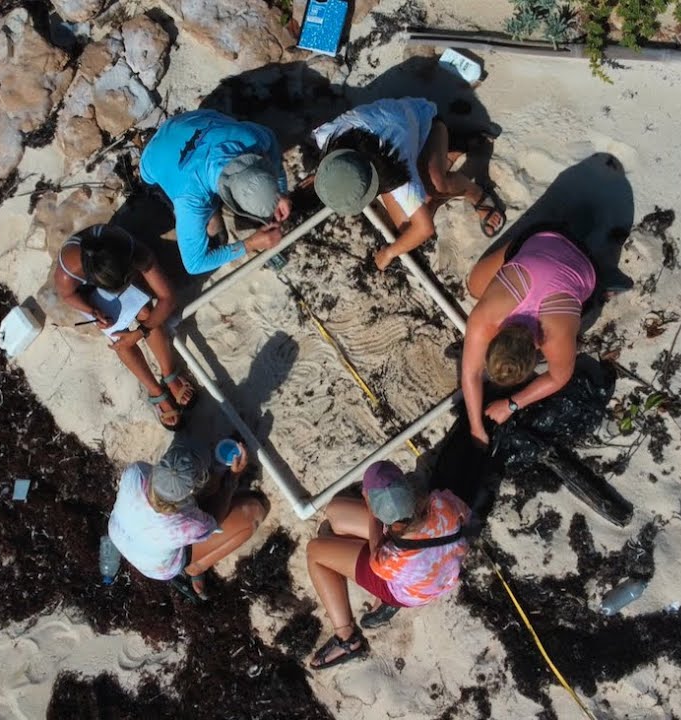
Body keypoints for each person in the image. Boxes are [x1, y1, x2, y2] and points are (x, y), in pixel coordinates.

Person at [305, 461, 471, 669]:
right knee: (335, 513)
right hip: (435, 573)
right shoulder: (442, 504)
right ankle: (350, 549)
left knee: (314, 551)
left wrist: (372, 510)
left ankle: (346, 636)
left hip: (403, 592)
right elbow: (465, 515)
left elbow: (376, 549)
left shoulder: (388, 560)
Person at [310, 97, 506, 271]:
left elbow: (424, 229)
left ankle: (476, 193)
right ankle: (450, 152)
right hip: (398, 126)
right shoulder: (327, 136)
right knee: (407, 228)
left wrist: (388, 253)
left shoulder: (396, 166)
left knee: (436, 187)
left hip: (429, 124)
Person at [460, 229, 597, 446]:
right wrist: (476, 428)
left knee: (476, 288)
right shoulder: (485, 319)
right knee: (475, 286)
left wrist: (511, 405)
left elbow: (559, 378)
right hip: (542, 237)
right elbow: (471, 374)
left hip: (584, 260)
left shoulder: (552, 336)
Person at [53, 223, 196, 429]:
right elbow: (67, 295)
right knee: (117, 337)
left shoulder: (129, 248)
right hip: (91, 288)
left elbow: (168, 298)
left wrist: (140, 332)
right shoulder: (68, 271)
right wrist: (92, 310)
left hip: (112, 264)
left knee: (145, 311)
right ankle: (155, 390)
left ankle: (168, 372)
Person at [107, 434, 269, 601]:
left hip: (123, 537)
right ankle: (195, 567)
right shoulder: (187, 525)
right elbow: (214, 520)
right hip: (160, 568)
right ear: (193, 491)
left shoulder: (136, 473)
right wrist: (232, 479)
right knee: (255, 510)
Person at [139, 109, 292, 275]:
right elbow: (194, 264)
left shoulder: (251, 138)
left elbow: (272, 141)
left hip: (182, 124)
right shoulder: (192, 200)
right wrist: (251, 243)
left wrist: (280, 192)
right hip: (151, 159)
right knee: (214, 230)